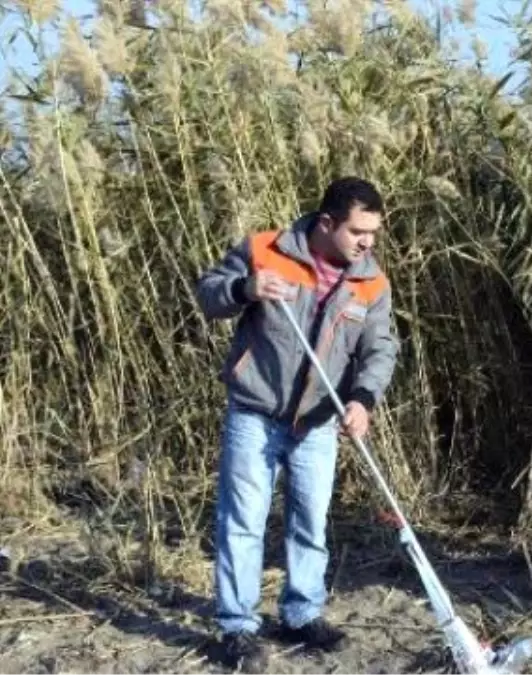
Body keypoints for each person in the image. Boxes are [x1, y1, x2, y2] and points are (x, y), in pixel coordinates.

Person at [195, 177, 400, 671]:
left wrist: (363, 400)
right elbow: (208, 294)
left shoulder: (371, 281)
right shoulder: (265, 249)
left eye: (373, 232)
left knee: (310, 522)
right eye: (357, 231)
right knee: (243, 523)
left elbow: (380, 349)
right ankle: (238, 626)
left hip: (318, 425)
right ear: (327, 223)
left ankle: (301, 613)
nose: (366, 242)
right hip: (255, 411)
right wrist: (245, 288)